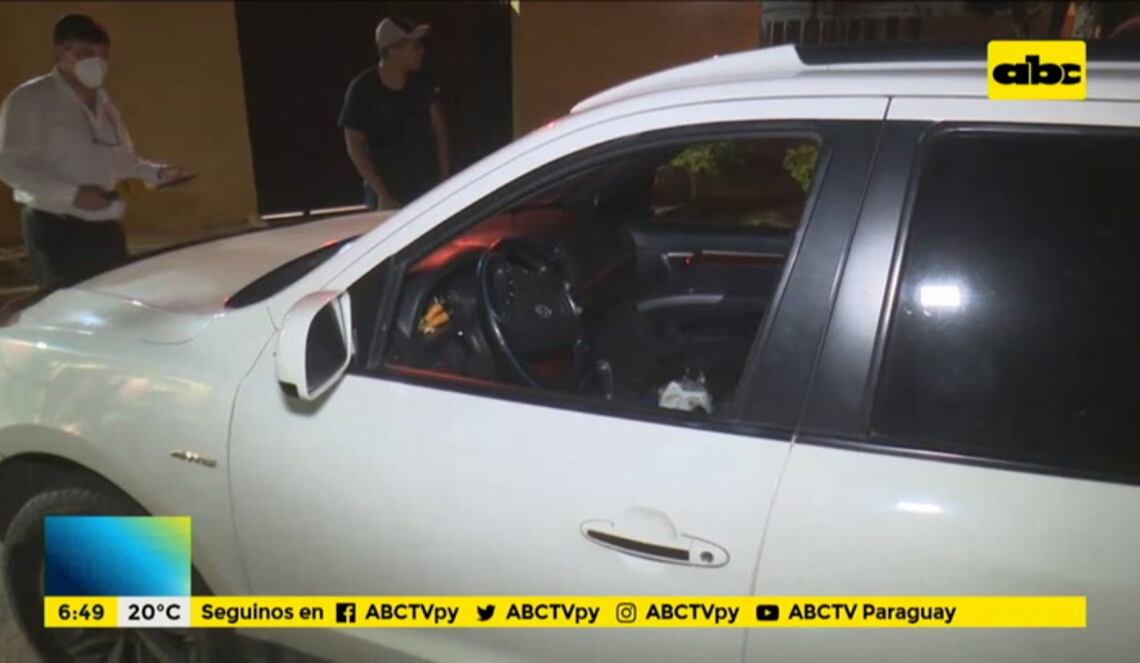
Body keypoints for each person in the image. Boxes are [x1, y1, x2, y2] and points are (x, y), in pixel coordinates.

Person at [0, 14, 191, 289]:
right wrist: (72, 195)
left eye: (102, 56)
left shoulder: (105, 103)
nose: (95, 63)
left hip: (106, 231)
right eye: (85, 53)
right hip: (57, 230)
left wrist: (159, 174)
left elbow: (123, 162)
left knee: (115, 302)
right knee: (72, 306)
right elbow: (10, 166)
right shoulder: (31, 99)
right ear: (61, 52)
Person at [339, 15, 450, 211]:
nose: (421, 51)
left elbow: (439, 131)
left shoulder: (423, 84)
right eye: (414, 46)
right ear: (393, 50)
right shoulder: (362, 90)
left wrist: (444, 180)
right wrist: (382, 193)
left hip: (427, 190)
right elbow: (355, 146)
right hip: (386, 194)